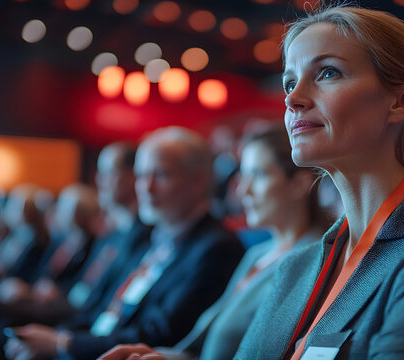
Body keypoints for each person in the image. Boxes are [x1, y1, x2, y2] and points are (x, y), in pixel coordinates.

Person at [234, 5, 404, 360]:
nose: (292, 98)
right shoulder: (297, 266)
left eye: (327, 73)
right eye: (290, 81)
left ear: (401, 101)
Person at [5, 126, 245, 360]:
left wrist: (64, 344)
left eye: (161, 175)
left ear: (198, 181)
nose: (146, 188)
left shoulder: (216, 248)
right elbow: (104, 309)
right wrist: (58, 337)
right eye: (141, 176)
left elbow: (159, 334)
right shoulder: (156, 240)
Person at [98, 127, 332, 360]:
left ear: (301, 183)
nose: (242, 190)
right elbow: (204, 350)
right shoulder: (257, 254)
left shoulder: (312, 260)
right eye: (243, 175)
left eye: (259, 175)